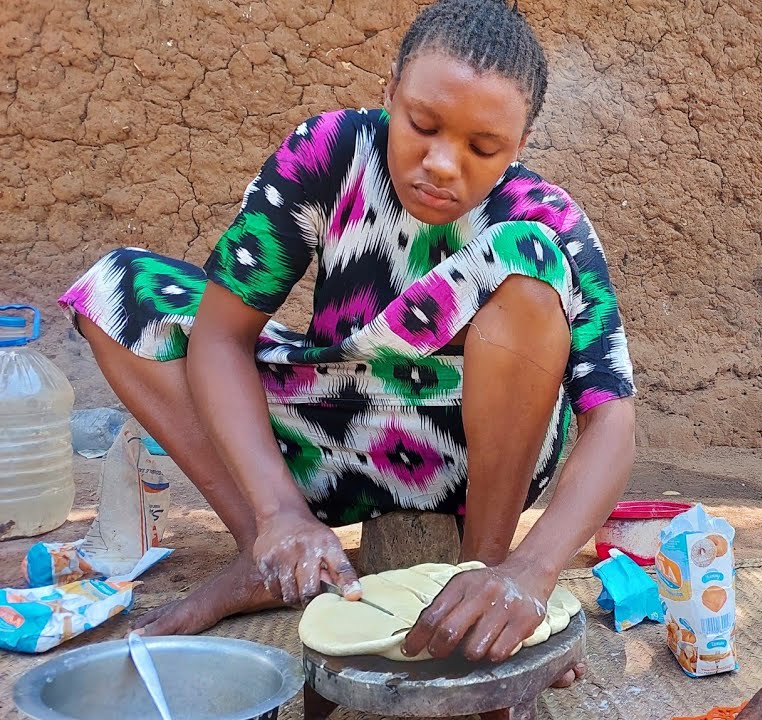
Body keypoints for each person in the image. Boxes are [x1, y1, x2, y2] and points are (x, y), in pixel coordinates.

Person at [58, 0, 635, 686]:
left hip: (474, 455)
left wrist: (528, 577)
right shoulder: (329, 152)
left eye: (484, 149)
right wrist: (276, 512)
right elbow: (219, 338)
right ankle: (273, 555)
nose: (443, 164)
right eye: (422, 124)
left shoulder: (546, 216)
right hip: (325, 439)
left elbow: (613, 422)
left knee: (530, 264)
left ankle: (474, 588)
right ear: (390, 90)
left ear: (521, 142)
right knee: (118, 289)